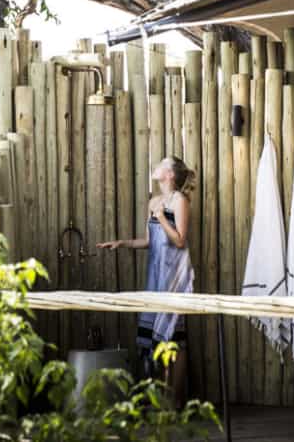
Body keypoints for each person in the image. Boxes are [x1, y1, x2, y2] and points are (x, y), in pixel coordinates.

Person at [97, 156, 195, 406]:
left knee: (175, 340)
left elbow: (180, 240)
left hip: (173, 278)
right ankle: (159, 399)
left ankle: (175, 402)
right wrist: (123, 243)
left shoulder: (180, 201)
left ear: (170, 174)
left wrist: (162, 217)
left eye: (161, 163)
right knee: (154, 339)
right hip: (155, 276)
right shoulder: (153, 201)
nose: (156, 166)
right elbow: (150, 241)